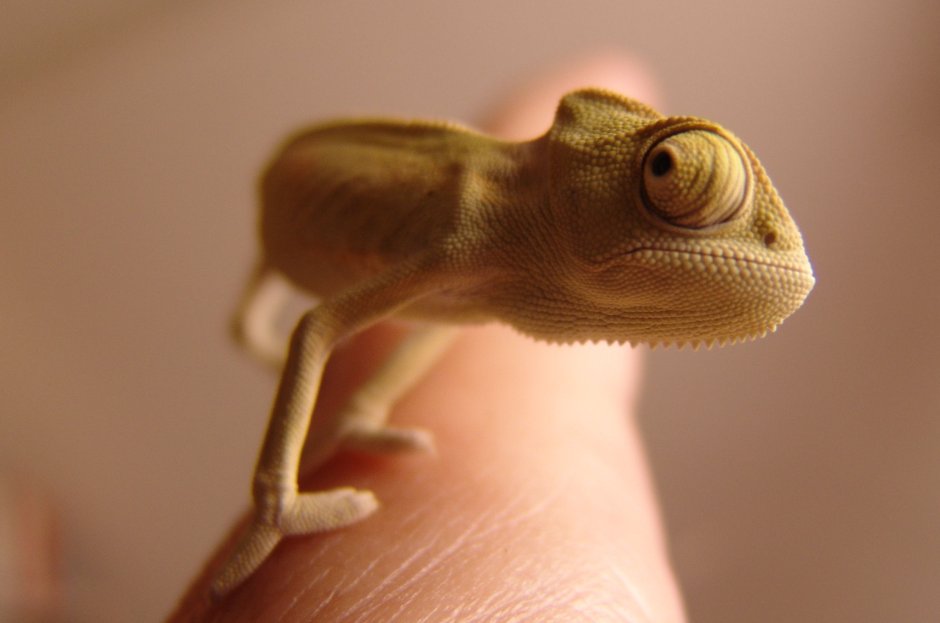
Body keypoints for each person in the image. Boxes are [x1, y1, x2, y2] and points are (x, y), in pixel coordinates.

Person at [168, 54, 687, 622]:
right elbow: (317, 328)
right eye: (671, 172)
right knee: (257, 326)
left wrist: (365, 401)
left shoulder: (496, 264)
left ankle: (357, 406)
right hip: (293, 194)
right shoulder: (474, 221)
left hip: (300, 196)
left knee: (449, 312)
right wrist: (276, 500)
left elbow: (445, 319)